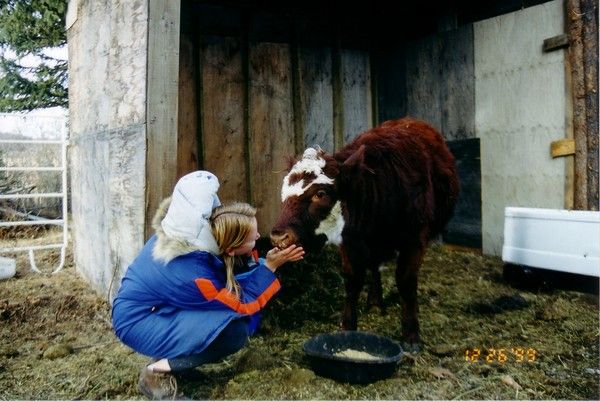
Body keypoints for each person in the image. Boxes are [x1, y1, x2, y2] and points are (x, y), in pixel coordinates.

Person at [111, 171, 304, 400]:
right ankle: (155, 373)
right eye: (253, 238)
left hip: (160, 309)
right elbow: (240, 303)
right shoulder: (193, 275)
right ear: (230, 248)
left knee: (224, 319)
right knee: (233, 331)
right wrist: (269, 268)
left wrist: (261, 263)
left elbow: (227, 277)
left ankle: (174, 359)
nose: (259, 237)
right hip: (137, 322)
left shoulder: (188, 240)